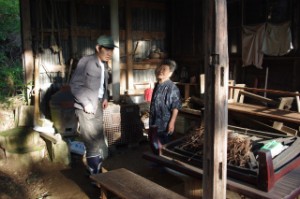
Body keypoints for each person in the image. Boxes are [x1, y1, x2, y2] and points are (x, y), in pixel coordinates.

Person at [70, 35, 117, 174]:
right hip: (86, 107)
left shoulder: (104, 64)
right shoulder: (86, 62)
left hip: (97, 105)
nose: (110, 53)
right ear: (98, 48)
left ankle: (97, 170)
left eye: (111, 50)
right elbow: (74, 85)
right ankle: (95, 176)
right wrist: (85, 103)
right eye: (107, 49)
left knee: (98, 138)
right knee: (91, 142)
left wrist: (105, 97)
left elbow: (104, 84)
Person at [149, 59, 182, 153]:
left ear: (170, 73)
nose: (160, 71)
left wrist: (172, 122)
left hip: (165, 123)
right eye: (160, 68)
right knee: (155, 142)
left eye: (164, 69)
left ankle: (164, 164)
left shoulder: (172, 87)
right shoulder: (157, 85)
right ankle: (156, 161)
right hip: (154, 120)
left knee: (164, 145)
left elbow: (176, 107)